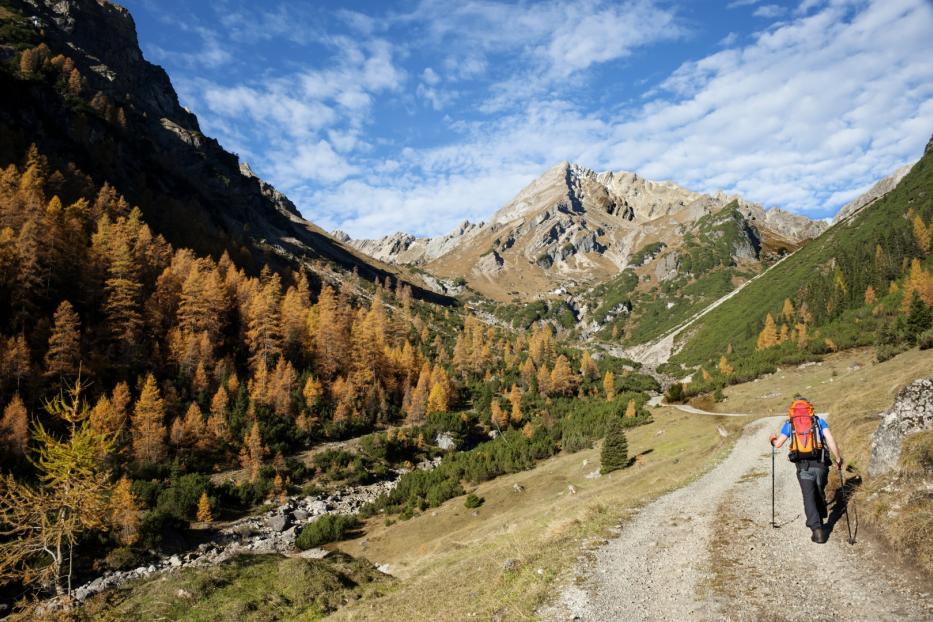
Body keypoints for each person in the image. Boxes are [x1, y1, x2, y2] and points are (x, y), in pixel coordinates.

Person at [769, 396, 843, 543]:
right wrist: (838, 458)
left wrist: (772, 439)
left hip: (803, 467)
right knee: (819, 490)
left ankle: (817, 531)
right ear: (810, 408)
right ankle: (822, 514)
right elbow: (830, 439)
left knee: (809, 497)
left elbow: (778, 444)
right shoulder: (818, 421)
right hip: (821, 464)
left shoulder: (790, 424)